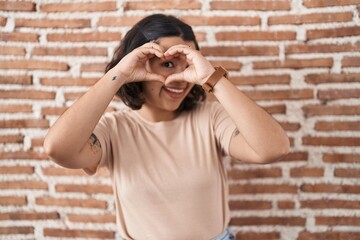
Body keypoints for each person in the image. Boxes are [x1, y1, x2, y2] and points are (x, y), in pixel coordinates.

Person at [44, 14, 290, 240]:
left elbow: (273, 148)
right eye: (168, 64)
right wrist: (120, 72)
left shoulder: (210, 118)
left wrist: (210, 77)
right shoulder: (114, 129)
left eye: (187, 65)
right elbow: (58, 149)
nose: (180, 79)